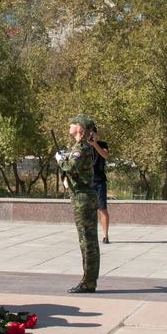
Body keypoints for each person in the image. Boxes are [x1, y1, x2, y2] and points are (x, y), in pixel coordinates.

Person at [57, 114, 99, 294]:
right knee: (87, 240)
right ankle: (89, 280)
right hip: (82, 196)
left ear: (80, 128)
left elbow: (70, 167)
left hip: (83, 198)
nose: (70, 125)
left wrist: (60, 159)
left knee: (87, 241)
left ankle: (88, 282)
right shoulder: (79, 147)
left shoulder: (81, 148)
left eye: (73, 123)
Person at [88, 128, 110, 244]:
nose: (91, 136)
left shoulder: (102, 144)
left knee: (102, 209)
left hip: (100, 181)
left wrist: (95, 144)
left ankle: (105, 236)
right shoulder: (83, 147)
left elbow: (105, 155)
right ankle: (90, 235)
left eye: (93, 134)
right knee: (88, 210)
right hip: (87, 182)